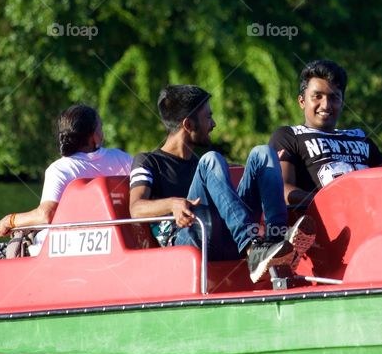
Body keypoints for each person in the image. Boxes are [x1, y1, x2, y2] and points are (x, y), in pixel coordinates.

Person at [129, 85, 315, 283]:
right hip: (185, 240)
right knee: (211, 159)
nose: (214, 123)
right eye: (208, 117)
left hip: (225, 234)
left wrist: (267, 171)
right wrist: (173, 204)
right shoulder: (148, 161)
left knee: (263, 154)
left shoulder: (200, 165)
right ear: (188, 124)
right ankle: (254, 249)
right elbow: (136, 208)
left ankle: (275, 243)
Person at [0, 104, 132, 252]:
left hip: (68, 249)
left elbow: (46, 215)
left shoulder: (60, 169)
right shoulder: (123, 159)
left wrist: (10, 220)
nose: (102, 131)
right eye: (101, 127)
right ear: (94, 136)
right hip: (119, 241)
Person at [270, 60, 382, 206]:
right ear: (302, 101)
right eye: (317, 96)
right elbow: (281, 189)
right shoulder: (288, 136)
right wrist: (329, 204)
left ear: (342, 102)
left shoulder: (360, 137)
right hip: (325, 222)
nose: (326, 105)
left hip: (371, 215)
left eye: (334, 97)